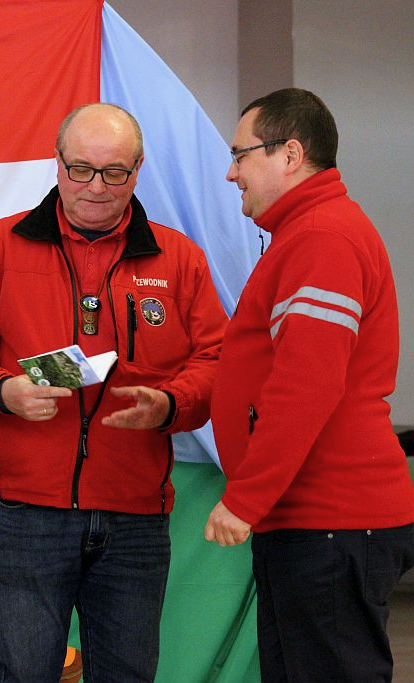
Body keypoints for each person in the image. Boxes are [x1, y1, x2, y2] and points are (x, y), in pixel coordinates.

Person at [0, 102, 227, 682]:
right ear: (57, 162)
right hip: (27, 515)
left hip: (135, 518)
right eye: (81, 169)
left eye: (114, 172)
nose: (96, 187)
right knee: (23, 674)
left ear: (138, 170)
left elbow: (218, 360)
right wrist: (3, 390)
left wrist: (172, 404)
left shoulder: (180, 259)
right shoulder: (0, 245)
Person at [205, 88, 414, 682]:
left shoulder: (322, 237)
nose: (231, 173)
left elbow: (306, 385)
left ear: (290, 154)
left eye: (240, 155)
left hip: (329, 520)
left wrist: (246, 497)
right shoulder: (308, 233)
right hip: (314, 521)